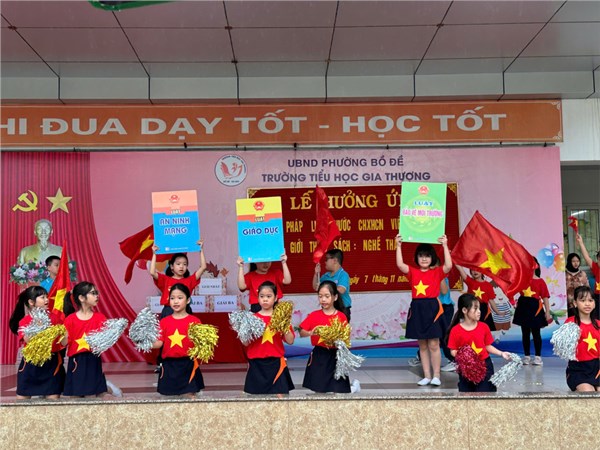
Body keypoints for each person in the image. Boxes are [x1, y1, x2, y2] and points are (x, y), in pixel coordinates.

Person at [395, 235, 452, 386]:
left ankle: (436, 376)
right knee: (423, 345)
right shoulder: (413, 272)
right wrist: (398, 246)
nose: (424, 259)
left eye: (427, 256)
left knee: (434, 344)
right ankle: (427, 376)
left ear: (432, 258)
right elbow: (400, 265)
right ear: (417, 258)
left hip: (433, 309)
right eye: (421, 256)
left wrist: (445, 245)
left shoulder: (437, 272)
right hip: (418, 309)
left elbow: (448, 266)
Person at [300, 280, 360, 393]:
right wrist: (310, 333)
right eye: (320, 296)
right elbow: (302, 332)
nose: (323, 299)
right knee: (319, 388)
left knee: (338, 389)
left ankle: (353, 388)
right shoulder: (314, 315)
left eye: (327, 296)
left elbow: (346, 339)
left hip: (336, 355)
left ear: (335, 297)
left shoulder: (341, 316)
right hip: (319, 355)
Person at [8, 286, 65, 399]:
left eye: (47, 297)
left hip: (51, 364)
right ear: (31, 302)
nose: (47, 300)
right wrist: (37, 326)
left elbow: (63, 342)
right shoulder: (25, 321)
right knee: (22, 401)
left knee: (53, 401)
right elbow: (28, 341)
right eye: (42, 297)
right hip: (31, 364)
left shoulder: (55, 318)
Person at [447, 293, 511, 392]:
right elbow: (453, 350)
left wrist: (501, 353)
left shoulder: (484, 327)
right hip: (466, 368)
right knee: (467, 394)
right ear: (464, 310)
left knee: (485, 392)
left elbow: (487, 346)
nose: (479, 312)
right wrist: (464, 356)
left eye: (479, 309)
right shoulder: (456, 330)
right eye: (475, 309)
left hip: (485, 365)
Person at [151, 283, 205, 397]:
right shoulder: (164, 322)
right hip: (168, 366)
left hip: (188, 365)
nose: (175, 301)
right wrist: (143, 342)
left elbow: (201, 345)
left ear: (188, 300)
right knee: (168, 399)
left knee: (190, 397)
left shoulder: (195, 321)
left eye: (180, 298)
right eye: (172, 298)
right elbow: (159, 343)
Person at [243, 281, 295, 395]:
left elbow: (290, 341)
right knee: (256, 399)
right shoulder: (252, 318)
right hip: (256, 364)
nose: (265, 299)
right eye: (262, 296)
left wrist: (285, 324)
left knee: (280, 397)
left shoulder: (280, 318)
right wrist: (243, 331)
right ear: (257, 298)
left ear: (275, 298)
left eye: (268, 296)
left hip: (276, 363)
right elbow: (246, 343)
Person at [61, 282, 109, 397]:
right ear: (81, 298)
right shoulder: (70, 319)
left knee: (96, 394)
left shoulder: (100, 318)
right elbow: (64, 343)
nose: (97, 295)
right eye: (93, 293)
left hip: (94, 359)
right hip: (76, 361)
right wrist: (61, 334)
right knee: (75, 395)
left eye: (96, 293)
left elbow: (104, 342)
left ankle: (109, 388)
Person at [150, 241, 207, 318]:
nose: (181, 266)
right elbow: (152, 272)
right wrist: (154, 254)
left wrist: (201, 250)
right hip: (169, 311)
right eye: (178, 264)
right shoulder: (165, 280)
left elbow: (203, 267)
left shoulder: (190, 280)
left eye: (184, 264)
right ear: (171, 266)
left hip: (185, 311)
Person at [512, 257, 552, 365]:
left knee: (536, 333)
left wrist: (547, 312)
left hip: (535, 309)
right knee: (525, 333)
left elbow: (545, 297)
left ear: (536, 266)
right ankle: (527, 356)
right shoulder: (521, 280)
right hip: (523, 307)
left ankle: (538, 357)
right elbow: (512, 288)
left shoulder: (540, 281)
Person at [564, 286, 600, 392]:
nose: (587, 304)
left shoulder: (598, 324)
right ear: (575, 303)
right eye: (583, 300)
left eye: (590, 300)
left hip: (596, 368)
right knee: (588, 392)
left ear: (594, 303)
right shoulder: (570, 323)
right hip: (578, 369)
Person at [456, 266, 501, 332]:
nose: (475, 271)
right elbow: (461, 270)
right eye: (472, 270)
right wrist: (455, 261)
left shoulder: (488, 285)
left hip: (484, 310)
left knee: (487, 331)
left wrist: (498, 312)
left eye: (477, 269)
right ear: (470, 272)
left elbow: (491, 301)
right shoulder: (470, 281)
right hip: (472, 309)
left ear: (482, 271)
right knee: (472, 330)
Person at [313, 249, 352, 322]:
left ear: (335, 260)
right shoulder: (325, 276)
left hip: (341, 309)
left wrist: (325, 290)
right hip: (327, 309)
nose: (325, 262)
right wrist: (316, 273)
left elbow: (341, 290)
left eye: (326, 259)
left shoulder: (343, 274)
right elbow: (315, 287)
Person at [575, 234, 600, 320]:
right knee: (596, 318)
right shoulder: (596, 268)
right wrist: (581, 243)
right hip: (597, 296)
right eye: (599, 259)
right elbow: (586, 257)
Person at [565, 252, 589, 317]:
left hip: (580, 303)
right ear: (569, 262)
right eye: (573, 261)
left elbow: (587, 288)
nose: (576, 263)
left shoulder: (582, 274)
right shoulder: (564, 274)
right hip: (567, 304)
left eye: (578, 261)